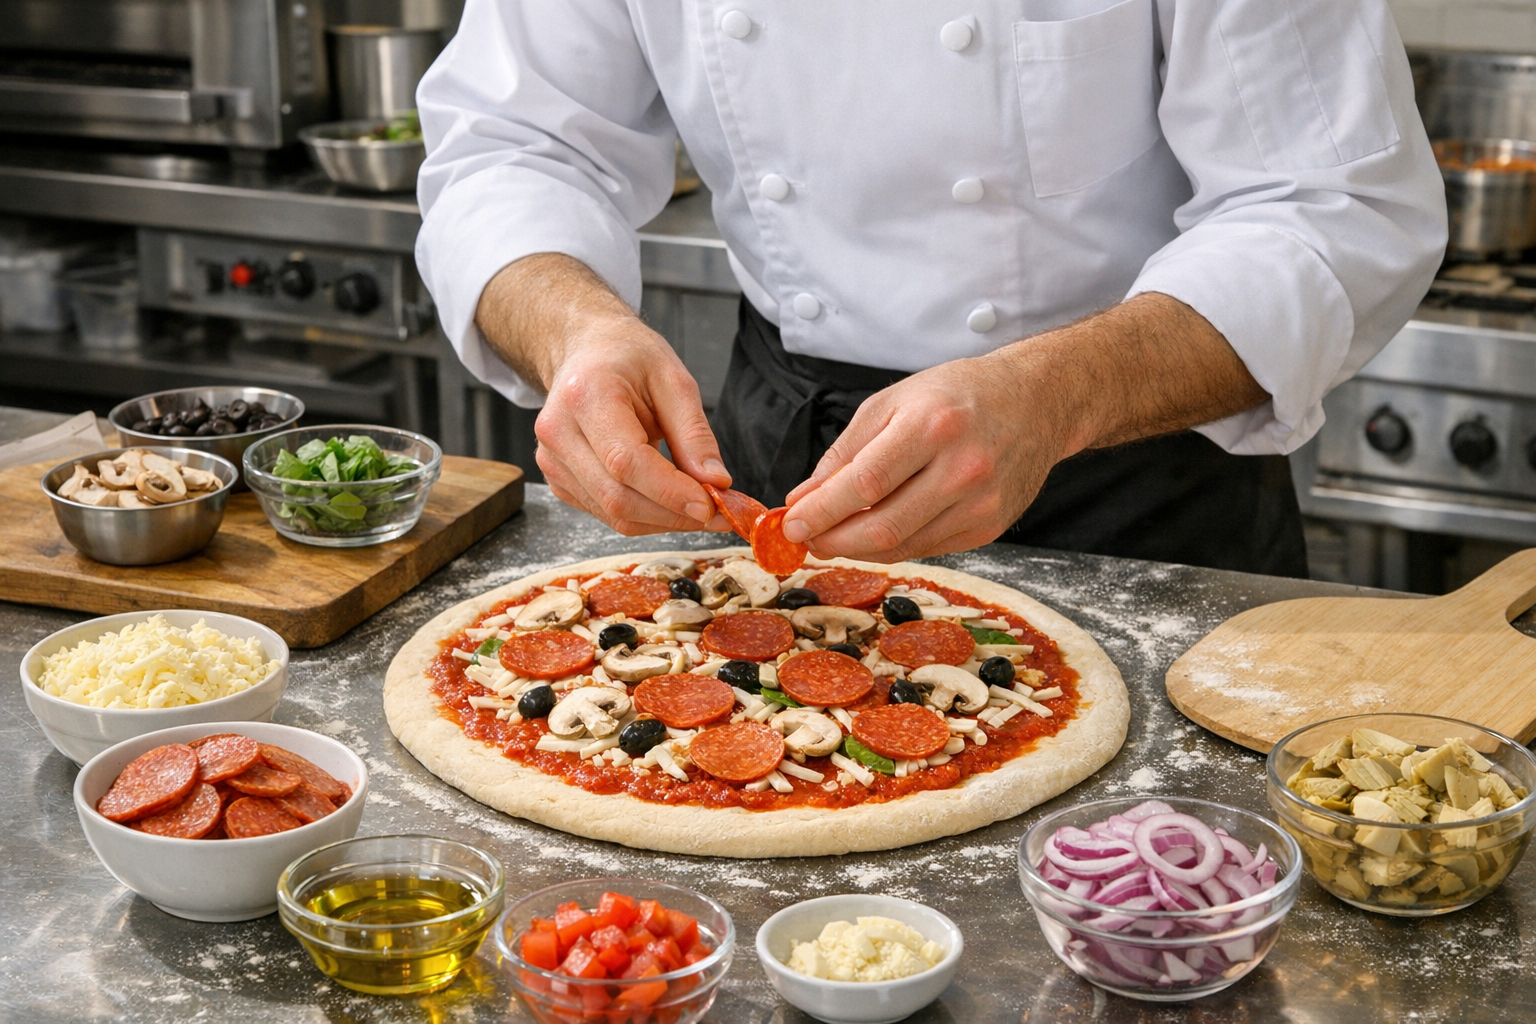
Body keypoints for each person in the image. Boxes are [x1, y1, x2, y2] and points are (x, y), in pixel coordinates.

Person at [415, 1, 1446, 576]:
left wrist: (1052, 396)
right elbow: (512, 144)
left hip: (1129, 481)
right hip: (781, 472)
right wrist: (573, 333)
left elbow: (1333, 204)